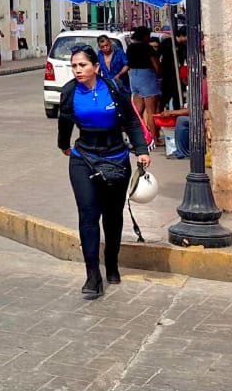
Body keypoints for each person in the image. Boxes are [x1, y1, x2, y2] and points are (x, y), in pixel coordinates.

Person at [57, 45, 150, 299]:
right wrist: (63, 145)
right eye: (74, 66)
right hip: (83, 158)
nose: (78, 70)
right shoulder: (69, 92)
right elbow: (64, 121)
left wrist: (141, 149)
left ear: (96, 67)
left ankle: (111, 263)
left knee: (112, 216)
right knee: (88, 215)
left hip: (116, 158)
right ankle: (92, 276)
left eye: (83, 65)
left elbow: (131, 120)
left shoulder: (114, 89)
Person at [125, 26, 163, 147]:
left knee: (137, 111)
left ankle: (134, 137)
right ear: (145, 36)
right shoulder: (148, 48)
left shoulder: (130, 48)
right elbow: (156, 66)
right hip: (147, 76)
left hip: (133, 76)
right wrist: (160, 75)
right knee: (151, 111)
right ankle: (155, 138)